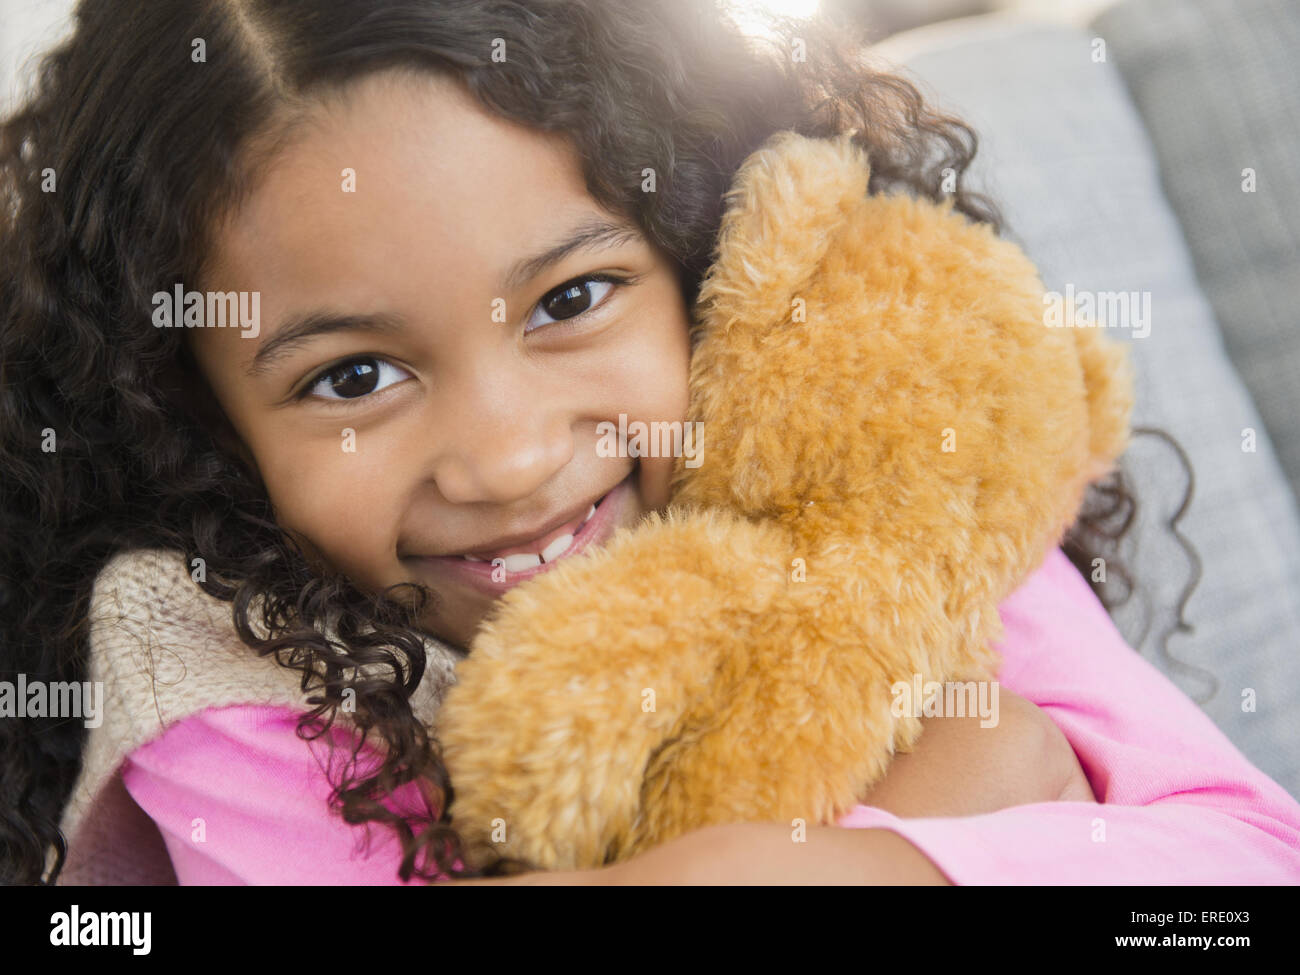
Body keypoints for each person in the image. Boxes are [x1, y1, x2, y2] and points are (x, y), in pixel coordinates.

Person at [2, 0, 1297, 886]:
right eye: (354, 374)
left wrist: (870, 864)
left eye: (569, 301)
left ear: (704, 257)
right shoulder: (218, 659)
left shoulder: (874, 480)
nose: (508, 457)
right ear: (191, 425)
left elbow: (1245, 867)